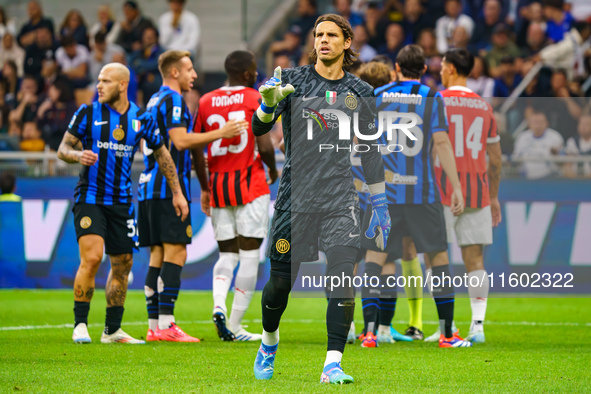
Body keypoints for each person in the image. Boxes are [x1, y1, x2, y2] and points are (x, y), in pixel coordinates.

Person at [251, 14, 390, 384]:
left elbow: (372, 151)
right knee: (280, 284)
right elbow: (259, 128)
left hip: (340, 199)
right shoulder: (291, 80)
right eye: (318, 35)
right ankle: (268, 343)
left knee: (343, 278)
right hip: (294, 197)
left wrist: (380, 203)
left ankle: (333, 364)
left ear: (347, 42)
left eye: (331, 35)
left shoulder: (361, 91)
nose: (323, 40)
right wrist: (267, 104)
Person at [57, 62, 189, 345]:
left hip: (121, 202)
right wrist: (76, 156)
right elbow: (63, 148)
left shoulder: (141, 118)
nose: (98, 86)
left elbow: (164, 155)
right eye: (98, 80)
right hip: (90, 198)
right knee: (92, 258)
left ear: (121, 85)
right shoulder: (87, 113)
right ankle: (80, 324)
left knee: (123, 264)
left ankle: (112, 330)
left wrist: (177, 192)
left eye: (105, 80)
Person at [357, 44, 472, 348]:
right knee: (437, 256)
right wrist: (457, 186)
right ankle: (447, 333)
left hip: (384, 192)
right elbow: (442, 143)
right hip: (422, 192)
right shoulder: (431, 97)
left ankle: (370, 332)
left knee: (375, 258)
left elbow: (360, 141)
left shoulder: (377, 96)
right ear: (424, 69)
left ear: (396, 67)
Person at [138, 50, 244, 343]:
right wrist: (221, 132)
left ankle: (154, 326)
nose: (194, 75)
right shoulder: (173, 99)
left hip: (148, 186)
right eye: (189, 69)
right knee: (177, 252)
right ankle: (168, 324)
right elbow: (181, 140)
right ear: (174, 73)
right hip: (167, 188)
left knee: (157, 256)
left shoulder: (154, 99)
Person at [192, 50, 278, 342]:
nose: (256, 74)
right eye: (254, 70)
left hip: (218, 186)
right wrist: (273, 169)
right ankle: (237, 325)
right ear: (246, 74)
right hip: (250, 183)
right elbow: (265, 145)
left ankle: (219, 306)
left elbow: (195, 148)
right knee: (250, 256)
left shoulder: (205, 101)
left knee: (227, 254)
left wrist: (204, 187)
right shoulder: (254, 97)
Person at [433, 48, 502, 343]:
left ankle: (445, 327)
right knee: (475, 260)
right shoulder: (484, 107)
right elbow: (496, 158)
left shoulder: (436, 101)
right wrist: (495, 196)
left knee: (438, 258)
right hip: (477, 190)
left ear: (449, 69)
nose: (439, 71)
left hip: (440, 189)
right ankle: (478, 325)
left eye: (442, 66)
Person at [513, 110, 564, 179]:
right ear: (529, 124)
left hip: (550, 178)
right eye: (535, 123)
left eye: (540, 122)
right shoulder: (522, 138)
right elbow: (516, 160)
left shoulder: (555, 137)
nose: (538, 126)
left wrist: (556, 155)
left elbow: (563, 163)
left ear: (547, 123)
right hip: (526, 179)